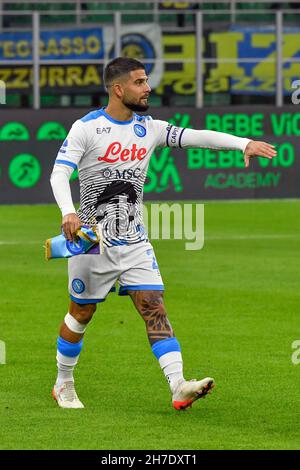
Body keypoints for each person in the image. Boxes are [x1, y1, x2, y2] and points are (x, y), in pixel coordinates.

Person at [50, 57, 277, 410]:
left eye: (147, 81)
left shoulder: (150, 127)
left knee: (154, 307)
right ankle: (64, 382)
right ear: (118, 88)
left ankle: (178, 385)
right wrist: (68, 212)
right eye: (140, 82)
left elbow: (195, 137)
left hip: (134, 239)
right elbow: (59, 174)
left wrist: (242, 143)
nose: (148, 88)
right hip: (92, 241)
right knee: (81, 313)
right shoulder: (86, 128)